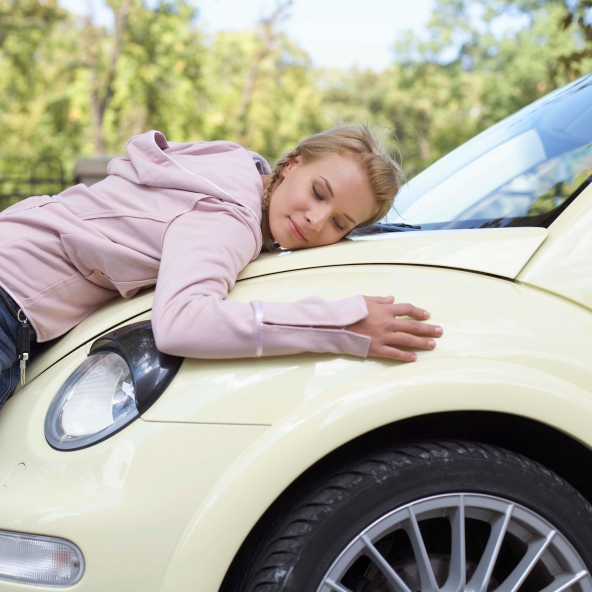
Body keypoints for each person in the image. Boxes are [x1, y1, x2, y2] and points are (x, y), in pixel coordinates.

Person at [0, 125, 442, 408]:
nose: (316, 219)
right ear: (291, 164)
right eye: (319, 193)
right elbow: (182, 323)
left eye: (340, 223)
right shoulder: (231, 215)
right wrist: (345, 325)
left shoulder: (231, 163)